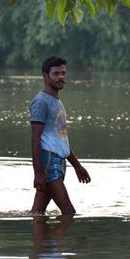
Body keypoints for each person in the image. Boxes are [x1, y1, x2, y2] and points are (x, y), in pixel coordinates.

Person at [29, 56, 91, 215]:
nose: (61, 77)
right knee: (69, 213)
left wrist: (77, 165)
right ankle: (54, 240)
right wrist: (37, 173)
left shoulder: (57, 102)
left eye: (63, 73)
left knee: (37, 213)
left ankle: (40, 240)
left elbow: (61, 140)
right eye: (56, 73)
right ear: (45, 76)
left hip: (58, 160)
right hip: (49, 162)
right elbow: (35, 138)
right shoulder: (41, 102)